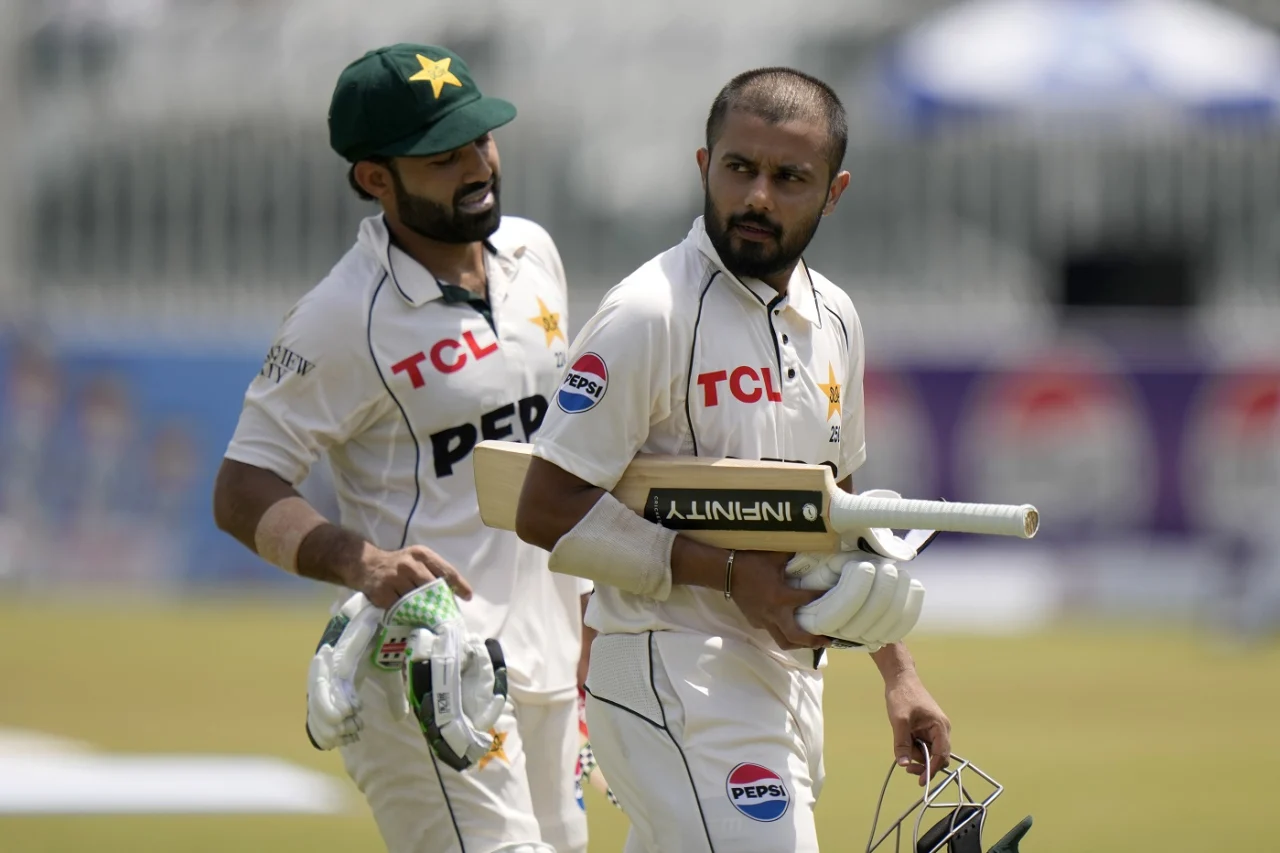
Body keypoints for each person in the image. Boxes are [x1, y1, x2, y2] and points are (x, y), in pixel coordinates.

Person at [514, 67, 951, 853]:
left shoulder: (837, 318)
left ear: (834, 191)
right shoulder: (648, 313)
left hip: (784, 681)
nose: (757, 197)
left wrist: (898, 672)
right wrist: (726, 573)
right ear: (703, 166)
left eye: (790, 178)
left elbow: (834, 508)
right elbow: (545, 505)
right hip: (667, 670)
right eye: (739, 168)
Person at [212, 43, 589, 853]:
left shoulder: (533, 256)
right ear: (375, 179)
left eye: (481, 140)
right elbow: (242, 487)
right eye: (442, 157)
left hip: (550, 668)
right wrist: (363, 564)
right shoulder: (342, 317)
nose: (477, 166)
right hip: (429, 665)